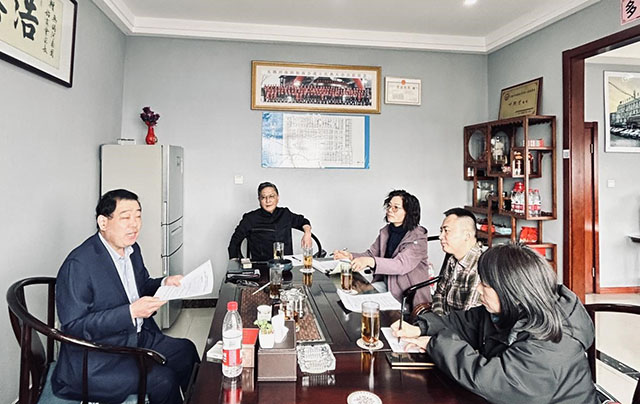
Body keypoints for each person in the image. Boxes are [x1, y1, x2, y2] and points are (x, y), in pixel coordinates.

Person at [392, 244, 598, 404]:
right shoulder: (509, 309)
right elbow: (464, 322)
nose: (478, 290)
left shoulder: (553, 338)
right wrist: (421, 328)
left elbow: (496, 381)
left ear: (512, 291)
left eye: (485, 285)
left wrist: (434, 344)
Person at [53, 189, 199, 404]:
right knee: (163, 380)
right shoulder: (79, 265)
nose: (134, 224)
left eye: (138, 216)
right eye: (125, 217)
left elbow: (142, 286)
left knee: (186, 351)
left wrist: (164, 283)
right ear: (103, 222)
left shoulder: (132, 249)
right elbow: (73, 327)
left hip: (136, 337)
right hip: (97, 356)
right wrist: (130, 312)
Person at [333, 190, 432, 304]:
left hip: (406, 294)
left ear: (408, 212)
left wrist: (370, 261)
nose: (389, 210)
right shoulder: (386, 231)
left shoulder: (418, 237)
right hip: (386, 284)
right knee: (346, 295)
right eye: (389, 206)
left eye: (396, 207)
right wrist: (350, 256)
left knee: (360, 302)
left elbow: (400, 265)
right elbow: (371, 254)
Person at [228, 182, 312, 261]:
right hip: (261, 266)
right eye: (263, 197)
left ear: (277, 198)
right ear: (259, 200)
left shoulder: (285, 214)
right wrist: (237, 264)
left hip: (285, 265)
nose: (268, 201)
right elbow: (234, 242)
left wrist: (307, 233)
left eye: (271, 196)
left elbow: (303, 221)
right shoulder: (250, 218)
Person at [430, 207, 483, 315]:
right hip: (443, 322)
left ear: (467, 236)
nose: (440, 236)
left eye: (446, 231)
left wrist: (440, 322)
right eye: (441, 231)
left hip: (458, 325)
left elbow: (468, 319)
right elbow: (439, 294)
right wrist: (439, 318)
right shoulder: (452, 260)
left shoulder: (479, 268)